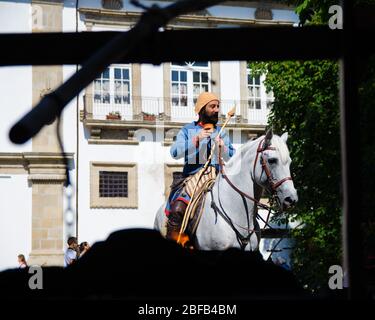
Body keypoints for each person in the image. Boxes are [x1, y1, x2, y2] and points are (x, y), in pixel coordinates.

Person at [165, 92, 235, 245]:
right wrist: (196, 139)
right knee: (177, 209)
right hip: (193, 177)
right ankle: (171, 246)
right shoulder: (187, 129)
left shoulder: (221, 131)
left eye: (218, 106)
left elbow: (233, 156)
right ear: (203, 109)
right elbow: (174, 152)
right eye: (212, 106)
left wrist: (223, 148)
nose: (216, 110)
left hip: (217, 176)